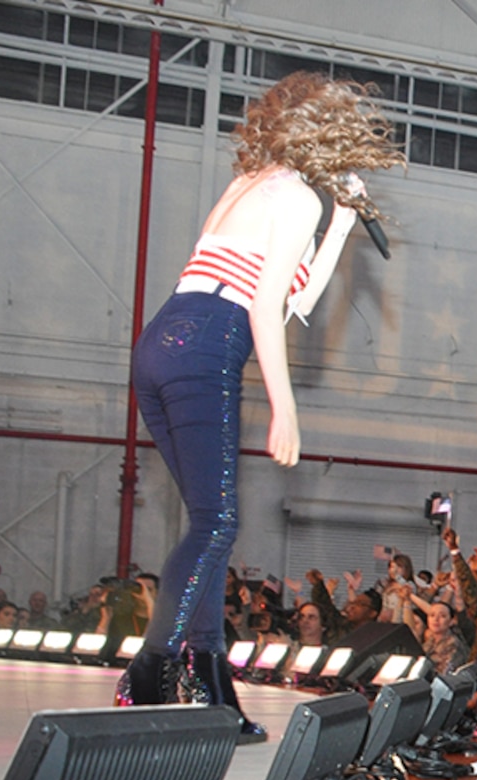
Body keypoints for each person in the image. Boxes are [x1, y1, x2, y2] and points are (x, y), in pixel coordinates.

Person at [115, 72, 401, 742]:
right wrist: (285, 405)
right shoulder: (296, 195)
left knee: (211, 528)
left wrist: (344, 224)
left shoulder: (256, 184)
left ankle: (212, 684)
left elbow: (298, 297)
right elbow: (267, 310)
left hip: (162, 339)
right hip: (209, 341)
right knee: (216, 525)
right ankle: (151, 669)